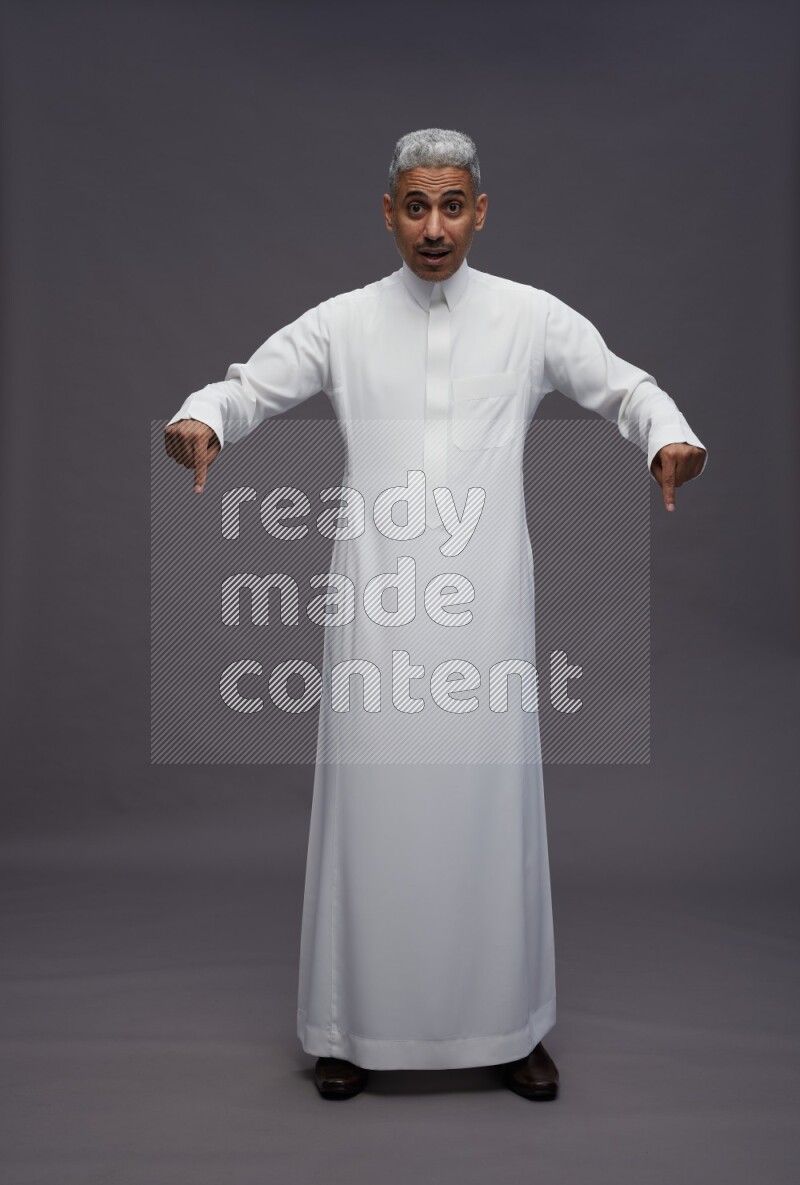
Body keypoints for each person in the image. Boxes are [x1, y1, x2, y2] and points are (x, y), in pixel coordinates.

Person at [163, 128, 708, 1102]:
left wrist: (664, 437)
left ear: (480, 211)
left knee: (488, 811)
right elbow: (249, 385)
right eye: (415, 206)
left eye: (451, 205)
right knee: (371, 809)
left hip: (486, 606)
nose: (433, 226)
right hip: (376, 603)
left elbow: (621, 386)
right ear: (387, 213)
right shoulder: (341, 323)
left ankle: (511, 1027)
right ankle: (348, 1028)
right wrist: (203, 419)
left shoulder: (529, 318)